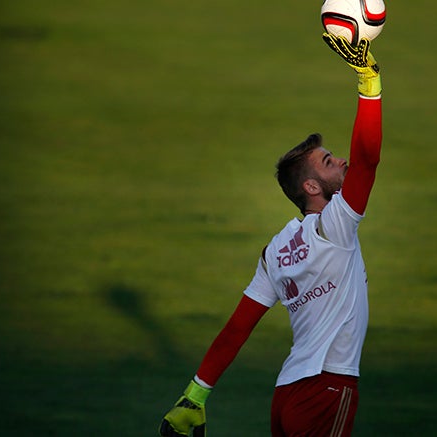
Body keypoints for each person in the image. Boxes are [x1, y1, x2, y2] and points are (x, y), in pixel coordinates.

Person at [160, 32, 383, 437]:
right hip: (327, 387)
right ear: (312, 188)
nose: (343, 161)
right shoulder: (336, 225)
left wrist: (196, 394)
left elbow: (237, 328)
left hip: (287, 397)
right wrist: (368, 81)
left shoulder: (276, 251)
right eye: (330, 162)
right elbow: (368, 160)